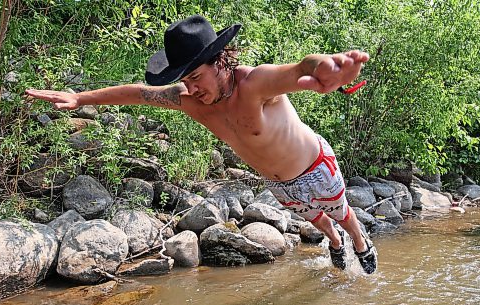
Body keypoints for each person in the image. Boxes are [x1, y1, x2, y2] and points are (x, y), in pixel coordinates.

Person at [26, 15, 377, 274]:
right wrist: (79, 98)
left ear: (221, 61)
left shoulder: (255, 84)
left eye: (195, 77)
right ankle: (334, 243)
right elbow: (135, 93)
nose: (190, 89)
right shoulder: (189, 99)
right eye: (185, 80)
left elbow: (300, 68)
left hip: (314, 166)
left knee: (342, 214)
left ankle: (360, 243)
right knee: (317, 220)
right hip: (278, 183)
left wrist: (326, 67)